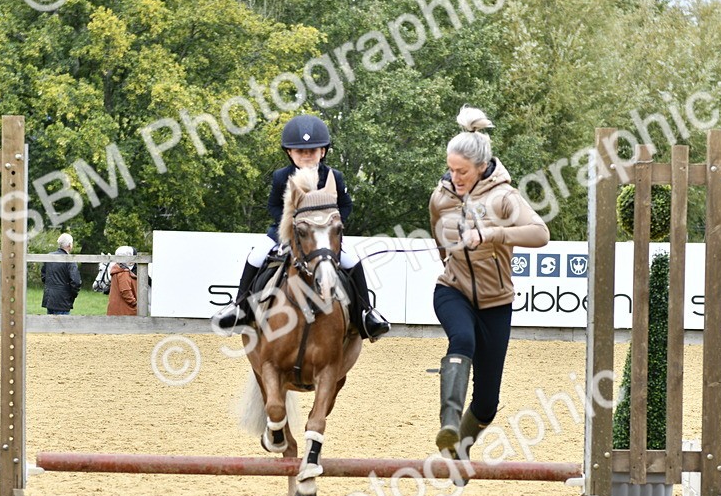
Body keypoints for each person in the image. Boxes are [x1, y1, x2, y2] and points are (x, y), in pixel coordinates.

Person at [430, 106, 550, 464]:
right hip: (452, 290)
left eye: (462, 171)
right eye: (451, 170)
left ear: (481, 166)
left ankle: (456, 451)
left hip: (497, 302)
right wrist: (452, 261)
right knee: (462, 339)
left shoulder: (504, 197)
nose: (455, 177)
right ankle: (448, 422)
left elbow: (541, 233)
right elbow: (440, 240)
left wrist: (493, 234)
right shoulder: (440, 197)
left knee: (486, 404)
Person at [211, 114, 390, 342]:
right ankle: (239, 307)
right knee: (255, 256)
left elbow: (345, 205)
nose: (306, 156)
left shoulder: (334, 176)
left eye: (312, 151)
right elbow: (273, 205)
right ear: (289, 152)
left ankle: (366, 314)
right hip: (285, 233)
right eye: (300, 152)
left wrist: (330, 226)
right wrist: (290, 226)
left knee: (352, 259)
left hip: (324, 236)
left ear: (323, 152)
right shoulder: (281, 177)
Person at [40, 232, 81, 315]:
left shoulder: (49, 257)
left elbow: (43, 276)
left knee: (51, 326)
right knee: (62, 327)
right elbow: (76, 282)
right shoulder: (70, 260)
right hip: (63, 301)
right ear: (69, 245)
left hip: (50, 299)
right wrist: (72, 295)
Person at [107, 246, 138, 316]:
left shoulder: (119, 270)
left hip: (118, 311)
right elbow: (125, 291)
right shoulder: (123, 272)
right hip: (125, 311)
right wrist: (134, 303)